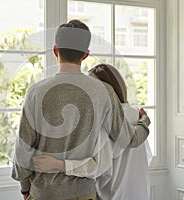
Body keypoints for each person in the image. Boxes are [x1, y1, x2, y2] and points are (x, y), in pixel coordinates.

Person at [11, 20, 138, 200]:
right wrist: (144, 123)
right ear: (85, 55)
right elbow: (127, 138)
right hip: (84, 194)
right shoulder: (104, 92)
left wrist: (25, 189)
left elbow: (23, 150)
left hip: (43, 194)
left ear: (56, 51)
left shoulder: (36, 92)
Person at [33, 64, 152, 200]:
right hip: (140, 191)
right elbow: (145, 156)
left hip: (113, 194)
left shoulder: (104, 120)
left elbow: (97, 167)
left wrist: (58, 164)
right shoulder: (137, 113)